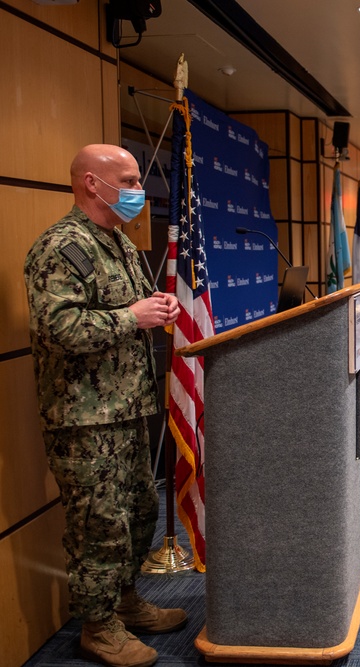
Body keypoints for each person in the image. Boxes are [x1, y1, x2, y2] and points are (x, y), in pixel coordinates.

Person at [23, 144, 187, 667]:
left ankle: (124, 602)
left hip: (127, 408)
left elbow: (133, 307)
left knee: (138, 513)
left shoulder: (115, 241)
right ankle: (97, 625)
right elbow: (59, 326)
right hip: (85, 419)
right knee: (100, 523)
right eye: (131, 179)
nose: (140, 189)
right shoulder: (61, 247)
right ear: (92, 183)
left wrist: (158, 308)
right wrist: (131, 317)